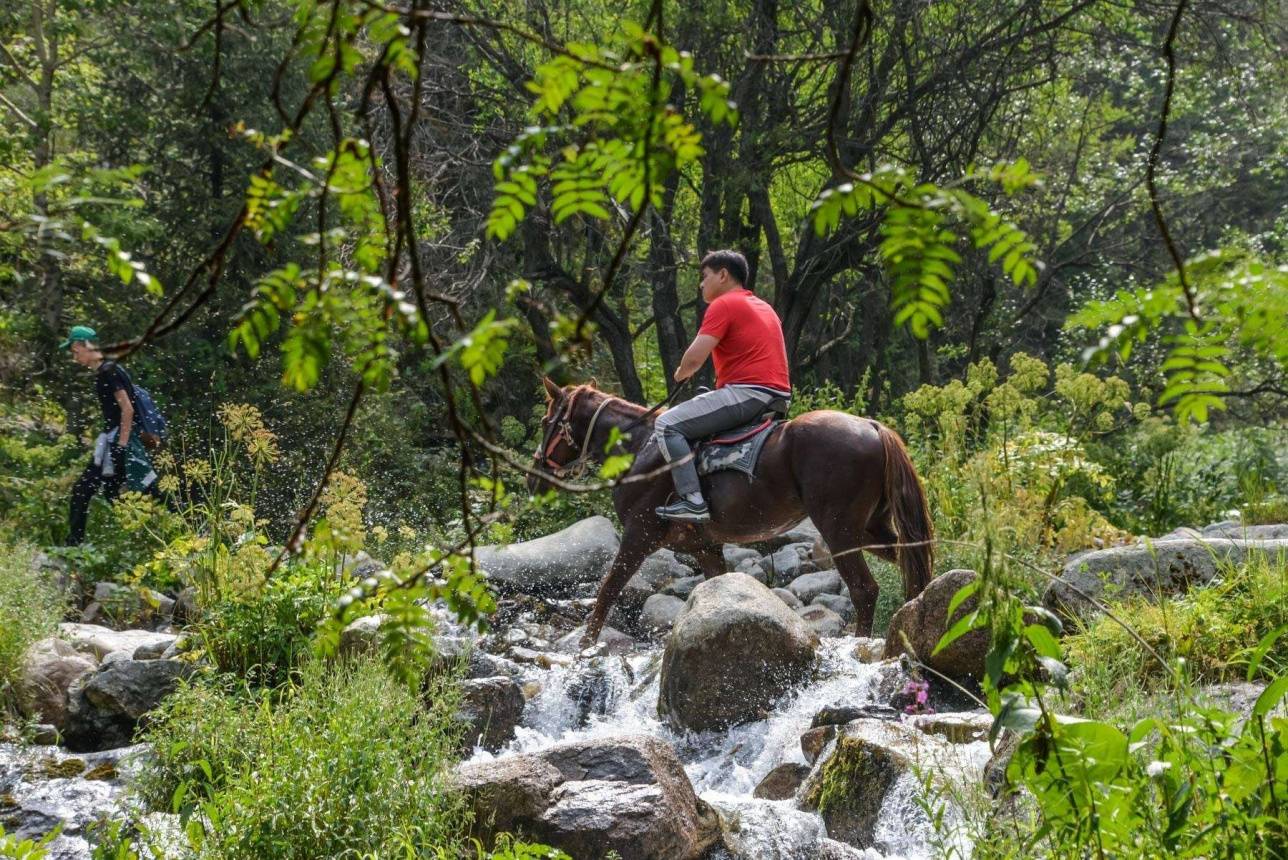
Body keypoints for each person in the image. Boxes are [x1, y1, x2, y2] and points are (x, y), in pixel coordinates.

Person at [653, 250, 791, 522]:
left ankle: (692, 500)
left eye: (705, 276)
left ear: (723, 275)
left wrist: (681, 373)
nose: (702, 284)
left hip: (748, 393)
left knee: (666, 425)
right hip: (778, 396)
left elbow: (693, 360)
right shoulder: (765, 307)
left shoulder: (724, 304)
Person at [61, 325, 159, 545]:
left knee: (86, 490)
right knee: (114, 493)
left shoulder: (108, 370)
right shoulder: (107, 369)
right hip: (114, 441)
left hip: (120, 441)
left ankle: (74, 545)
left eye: (75, 352)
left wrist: (120, 448)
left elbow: (127, 409)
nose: (75, 358)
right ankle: (140, 542)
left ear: (83, 346)